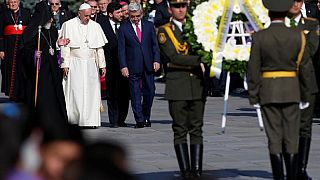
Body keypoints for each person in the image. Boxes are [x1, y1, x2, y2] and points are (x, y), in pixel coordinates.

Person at [248, 0, 312, 179]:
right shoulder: (297, 35)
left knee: (274, 138)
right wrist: (305, 94)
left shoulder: (260, 37)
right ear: (286, 13)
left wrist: (253, 95)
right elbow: (305, 68)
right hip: (292, 90)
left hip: (269, 91)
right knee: (292, 138)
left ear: (268, 13)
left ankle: (278, 176)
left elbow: (253, 68)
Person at [157, 0, 205, 178]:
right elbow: (173, 56)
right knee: (180, 129)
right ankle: (186, 172)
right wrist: (199, 61)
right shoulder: (164, 31)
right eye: (177, 6)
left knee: (197, 128)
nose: (181, 10)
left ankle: (197, 171)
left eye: (183, 6)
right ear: (170, 9)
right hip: (177, 86)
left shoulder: (197, 27)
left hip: (197, 85)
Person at [59, 3, 108, 128]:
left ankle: (90, 121)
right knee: (76, 91)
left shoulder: (95, 26)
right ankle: (75, 119)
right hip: (75, 63)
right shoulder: (68, 25)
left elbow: (99, 49)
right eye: (86, 15)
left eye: (90, 15)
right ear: (79, 13)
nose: (88, 18)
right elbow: (65, 47)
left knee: (91, 92)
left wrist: (102, 65)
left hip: (91, 64)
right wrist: (65, 64)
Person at [22, 1, 69, 123]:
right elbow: (24, 50)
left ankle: (55, 117)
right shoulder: (33, 31)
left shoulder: (52, 30)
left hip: (52, 67)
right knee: (43, 93)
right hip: (40, 70)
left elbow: (51, 46)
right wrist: (33, 54)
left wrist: (58, 44)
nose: (51, 21)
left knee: (54, 93)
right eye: (49, 18)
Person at [287, 1, 319, 179]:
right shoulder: (278, 23)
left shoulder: (311, 24)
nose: (295, 4)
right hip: (285, 83)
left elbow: (310, 50)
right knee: (287, 128)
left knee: (305, 128)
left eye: (298, 0)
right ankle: (291, 168)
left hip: (306, 82)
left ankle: (301, 170)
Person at [118, 2, 160, 128]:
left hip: (148, 64)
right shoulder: (123, 28)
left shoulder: (148, 26)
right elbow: (121, 49)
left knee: (150, 92)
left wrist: (156, 60)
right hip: (132, 65)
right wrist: (123, 66)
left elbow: (154, 45)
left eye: (137, 16)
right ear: (129, 15)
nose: (135, 19)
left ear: (141, 14)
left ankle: (146, 116)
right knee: (135, 94)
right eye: (133, 16)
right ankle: (140, 120)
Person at [97, 2, 130, 128]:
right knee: (112, 93)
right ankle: (114, 120)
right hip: (110, 63)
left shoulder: (125, 24)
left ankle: (122, 119)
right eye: (118, 12)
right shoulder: (102, 25)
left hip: (125, 64)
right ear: (110, 14)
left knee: (124, 93)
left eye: (121, 12)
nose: (121, 14)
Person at [0, 0, 31, 101]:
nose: (13, 4)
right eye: (11, 2)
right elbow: (0, 35)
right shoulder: (4, 15)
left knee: (22, 70)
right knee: (9, 70)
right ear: (8, 4)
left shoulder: (26, 13)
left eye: (15, 2)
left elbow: (30, 31)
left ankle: (22, 94)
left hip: (22, 47)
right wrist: (1, 49)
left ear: (18, 2)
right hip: (8, 47)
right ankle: (12, 94)